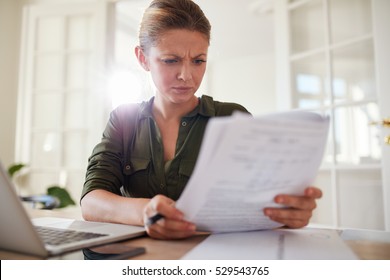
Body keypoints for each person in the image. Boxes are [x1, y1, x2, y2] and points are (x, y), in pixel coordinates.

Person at [80, 0, 322, 240]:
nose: (187, 75)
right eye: (171, 60)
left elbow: (258, 204)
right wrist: (145, 212)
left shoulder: (232, 117)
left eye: (198, 60)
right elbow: (91, 202)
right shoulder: (123, 119)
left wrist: (287, 214)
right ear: (143, 58)